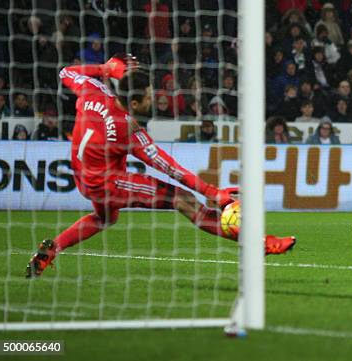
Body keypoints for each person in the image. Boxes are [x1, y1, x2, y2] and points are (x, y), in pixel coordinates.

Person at [26, 55, 296, 278]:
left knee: (105, 218)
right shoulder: (127, 128)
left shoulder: (92, 90)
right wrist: (214, 194)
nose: (153, 100)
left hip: (82, 176)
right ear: (133, 103)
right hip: (106, 182)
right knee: (182, 199)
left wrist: (105, 69)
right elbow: (171, 168)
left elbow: (65, 72)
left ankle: (51, 250)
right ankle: (261, 243)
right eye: (148, 97)